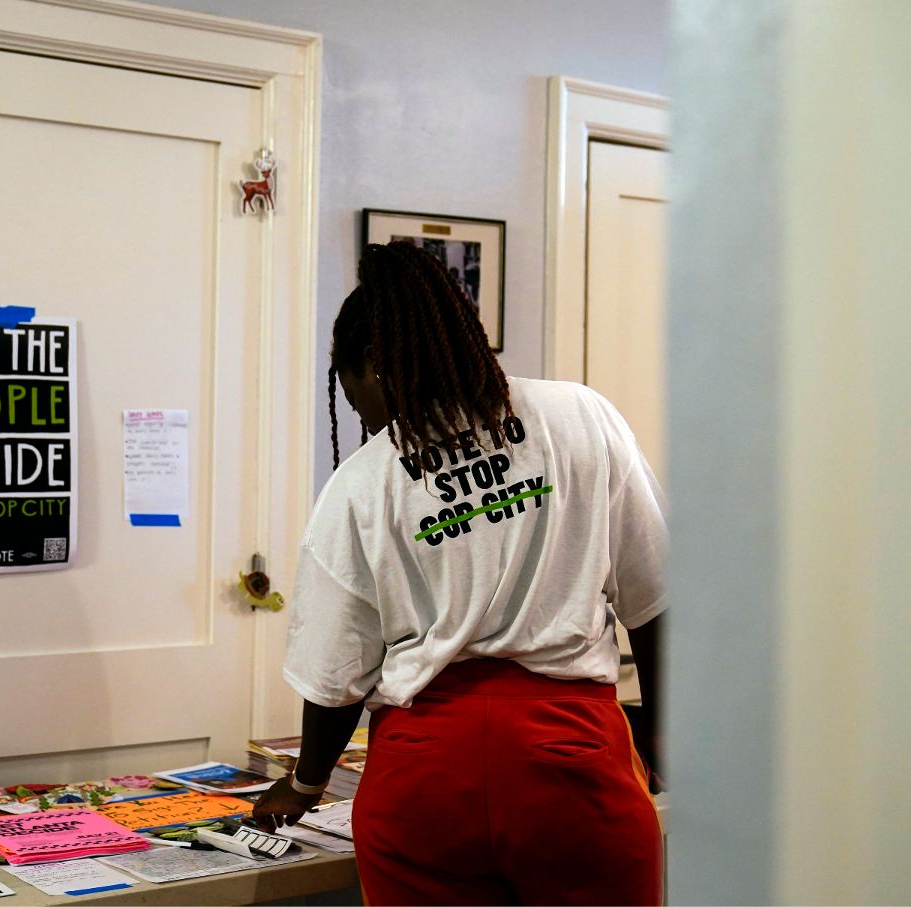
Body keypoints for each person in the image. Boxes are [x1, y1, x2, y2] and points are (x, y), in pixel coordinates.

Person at [251, 241, 666, 906]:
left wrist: (305, 781)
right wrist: (667, 733)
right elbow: (656, 602)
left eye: (349, 383)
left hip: (426, 779)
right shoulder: (582, 418)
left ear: (374, 367)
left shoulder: (362, 481)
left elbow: (337, 679)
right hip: (572, 764)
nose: (358, 410)